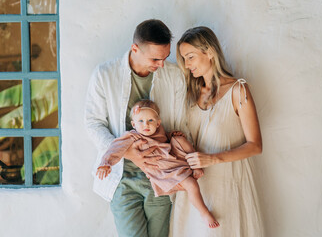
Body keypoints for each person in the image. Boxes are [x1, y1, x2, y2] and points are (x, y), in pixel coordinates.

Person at [85, 19, 188, 237]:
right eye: (155, 58)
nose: (161, 64)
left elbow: (179, 125)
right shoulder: (104, 75)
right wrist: (128, 152)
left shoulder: (175, 76)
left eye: (165, 57)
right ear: (135, 49)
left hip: (161, 177)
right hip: (121, 180)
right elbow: (93, 123)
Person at [169, 26, 264, 236]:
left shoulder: (238, 90)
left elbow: (255, 145)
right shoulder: (190, 94)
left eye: (191, 57)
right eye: (184, 58)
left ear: (210, 52)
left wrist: (213, 159)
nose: (186, 64)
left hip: (228, 185)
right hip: (194, 189)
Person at [96, 100, 220, 228]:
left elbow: (164, 140)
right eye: (141, 121)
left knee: (180, 139)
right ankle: (204, 212)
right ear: (133, 124)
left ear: (158, 123)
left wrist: (172, 135)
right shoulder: (133, 136)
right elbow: (116, 147)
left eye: (150, 121)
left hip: (173, 158)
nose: (146, 125)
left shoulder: (159, 131)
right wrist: (106, 163)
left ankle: (195, 165)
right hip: (161, 170)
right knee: (191, 184)